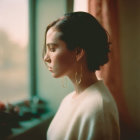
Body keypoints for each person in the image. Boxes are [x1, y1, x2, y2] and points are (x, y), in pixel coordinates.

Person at [43, 11, 120, 140]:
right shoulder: (68, 99)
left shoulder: (98, 109)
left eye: (52, 49)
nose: (46, 58)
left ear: (78, 52)